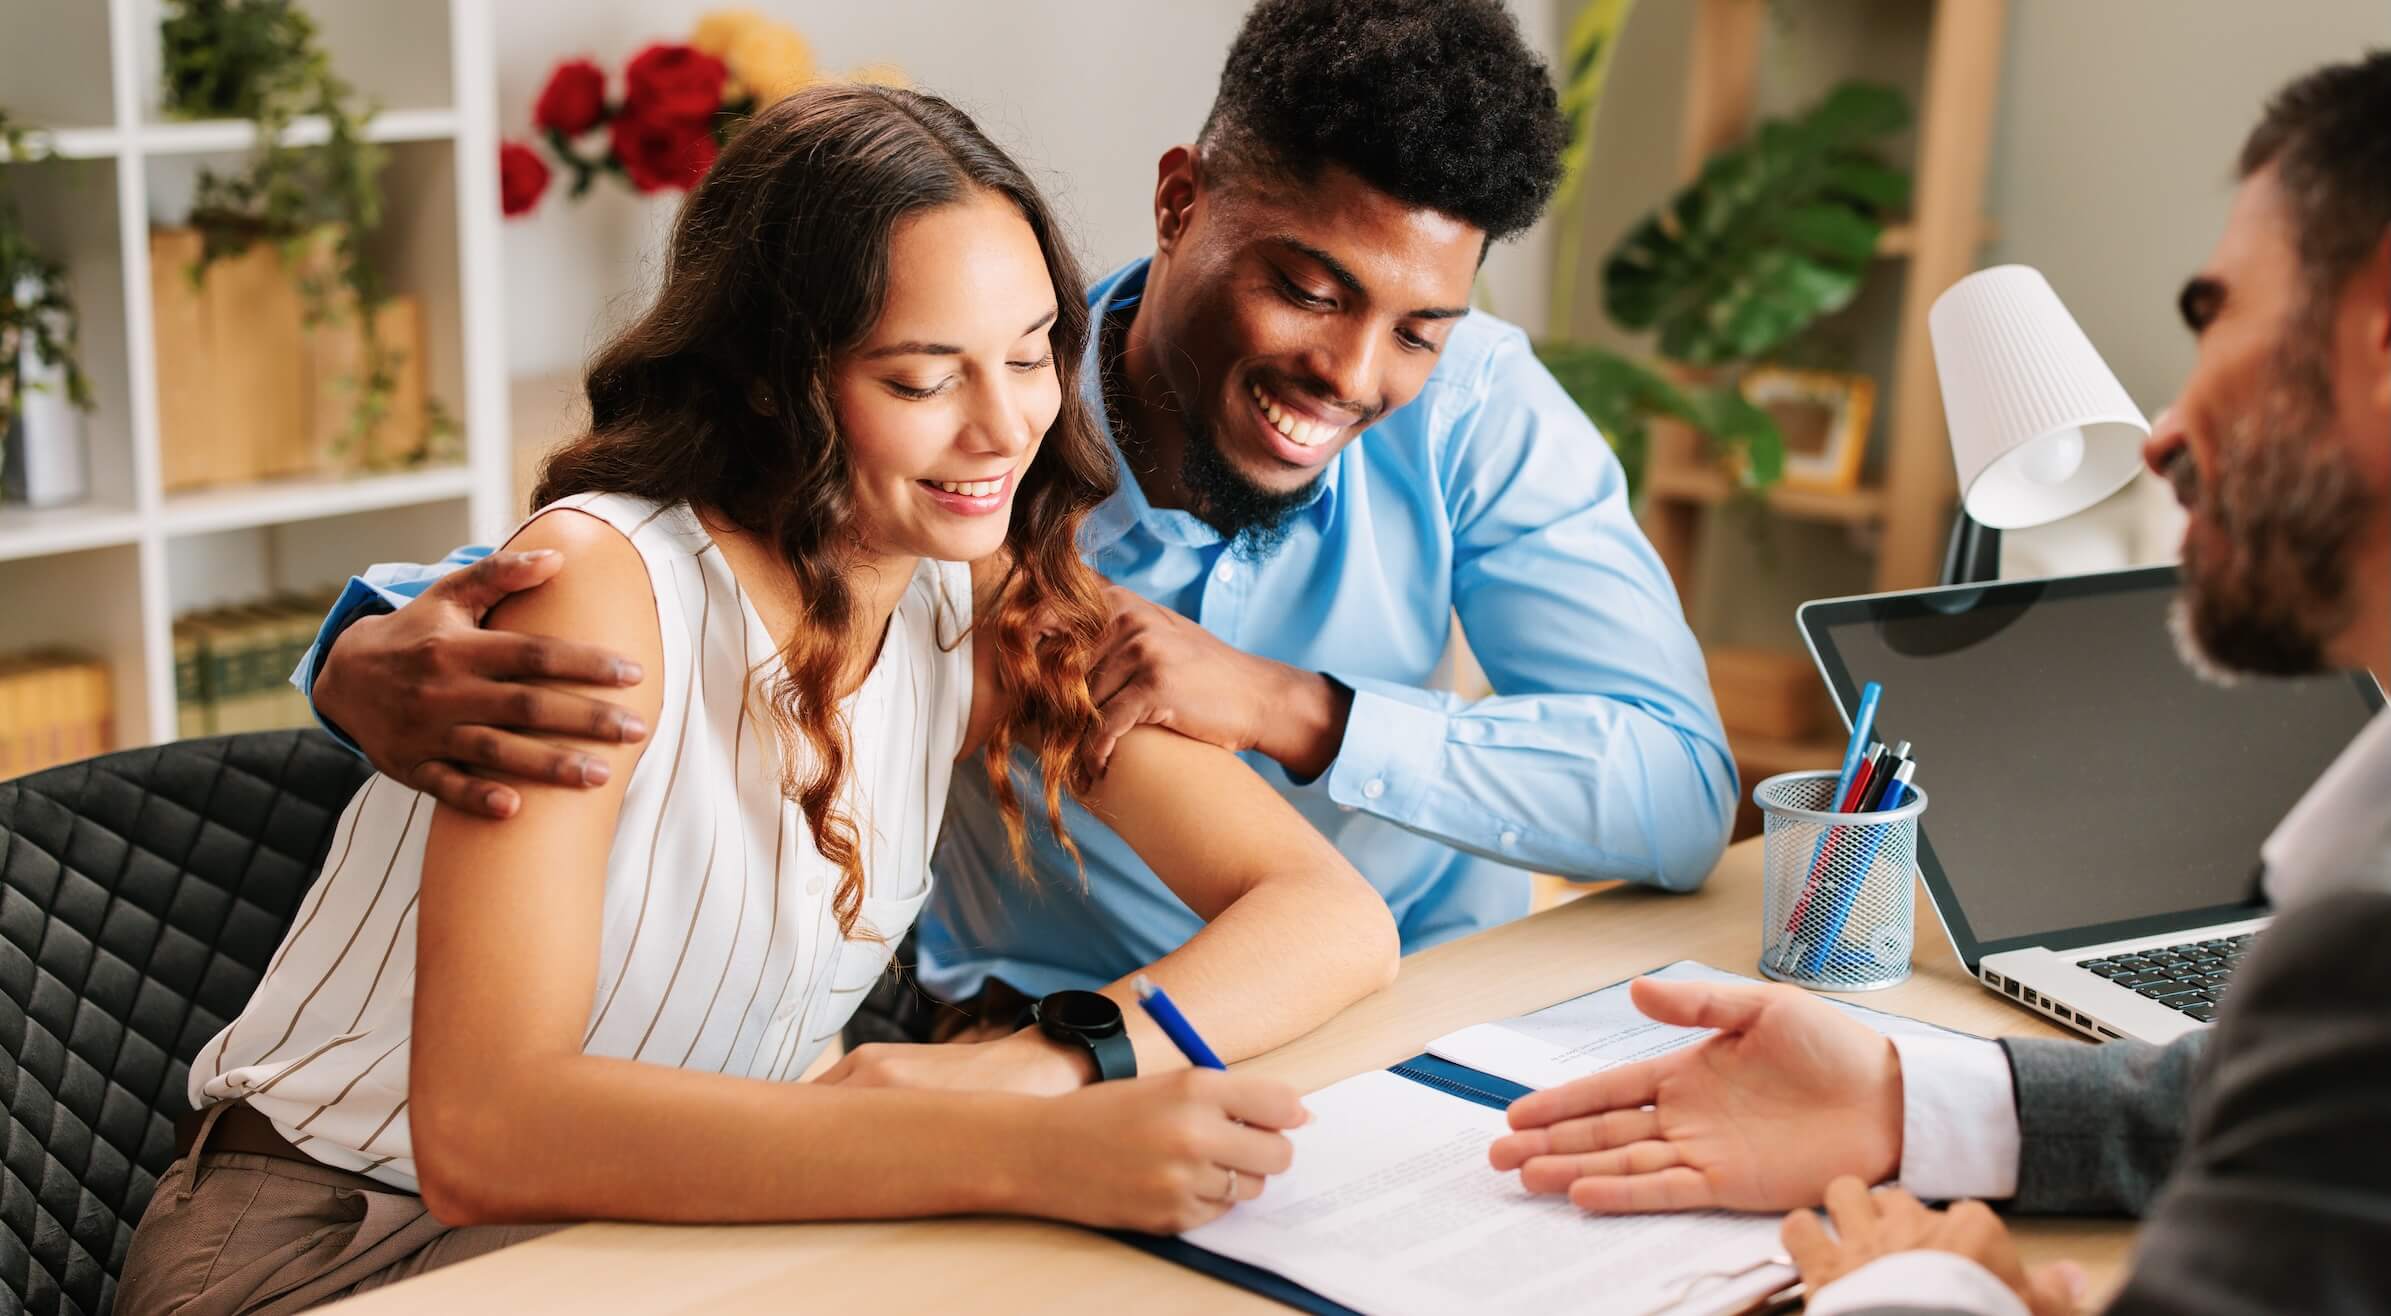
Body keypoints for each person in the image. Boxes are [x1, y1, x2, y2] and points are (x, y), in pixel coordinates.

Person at [114, 85, 1403, 1314]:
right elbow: (484, 1131)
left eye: (1029, 356)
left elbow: (1328, 916)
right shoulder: (600, 588)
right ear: (769, 377)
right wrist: (1017, 1148)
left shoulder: (977, 593)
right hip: (348, 1244)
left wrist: (1052, 1064)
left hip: (658, 1225)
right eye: (922, 379)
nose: (1005, 427)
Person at [296, 0, 1737, 1056]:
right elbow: (670, 551)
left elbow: (1677, 791)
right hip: (1055, 1030)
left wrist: (1294, 710)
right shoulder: (972, 448)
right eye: (1307, 291)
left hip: (1428, 1002)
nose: (1354, 376)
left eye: (1418, 328)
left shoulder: (1476, 407)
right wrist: (352, 655)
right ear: (1178, 202)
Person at [1491, 50, 2391, 1316]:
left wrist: (1911, 1287)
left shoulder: (2361, 944)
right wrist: (1902, 1098)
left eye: (2220, 317)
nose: (2166, 433)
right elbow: (2303, 1096)